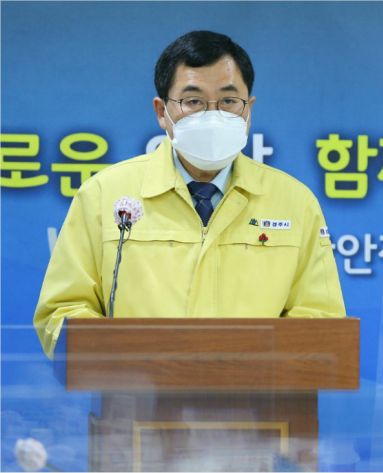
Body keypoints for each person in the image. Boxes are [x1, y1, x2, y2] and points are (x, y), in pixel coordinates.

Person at [34, 31, 346, 358]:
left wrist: (246, 364)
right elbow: (62, 311)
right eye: (193, 101)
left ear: (249, 109)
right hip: (136, 390)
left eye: (228, 101)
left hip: (254, 391)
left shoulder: (295, 202)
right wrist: (131, 361)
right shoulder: (103, 195)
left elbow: (320, 319)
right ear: (161, 112)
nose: (212, 116)